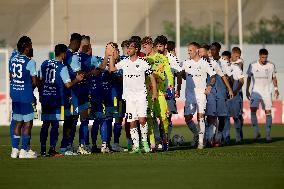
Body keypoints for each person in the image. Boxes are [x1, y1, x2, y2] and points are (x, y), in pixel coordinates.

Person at [109, 38, 158, 153]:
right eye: (127, 48)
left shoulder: (143, 62)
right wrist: (111, 56)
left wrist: (154, 92)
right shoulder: (124, 62)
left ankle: (145, 142)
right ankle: (136, 146)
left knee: (142, 120)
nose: (128, 50)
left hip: (141, 95)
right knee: (132, 121)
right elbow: (111, 69)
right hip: (129, 97)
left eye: (130, 48)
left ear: (136, 49)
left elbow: (152, 78)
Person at [39, 44, 84, 156]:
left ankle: (43, 150)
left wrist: (41, 93)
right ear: (63, 54)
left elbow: (40, 79)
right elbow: (68, 85)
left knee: (45, 124)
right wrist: (77, 79)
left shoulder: (45, 63)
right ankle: (52, 149)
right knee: (54, 124)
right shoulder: (62, 67)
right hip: (56, 98)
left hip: (45, 97)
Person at [141, 36, 174, 152]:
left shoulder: (162, 58)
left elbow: (169, 74)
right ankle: (152, 143)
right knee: (149, 118)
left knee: (164, 118)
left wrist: (170, 88)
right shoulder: (143, 60)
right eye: (143, 46)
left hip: (160, 93)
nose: (144, 48)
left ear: (152, 45)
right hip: (148, 94)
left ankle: (165, 139)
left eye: (146, 45)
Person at [181, 42, 216, 149]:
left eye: (190, 50)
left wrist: (209, 86)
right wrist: (181, 74)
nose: (188, 52)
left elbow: (213, 76)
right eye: (188, 50)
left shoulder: (204, 63)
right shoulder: (186, 63)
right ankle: (197, 134)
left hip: (201, 94)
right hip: (190, 95)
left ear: (196, 50)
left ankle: (201, 142)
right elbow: (182, 76)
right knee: (187, 118)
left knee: (200, 117)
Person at [10, 36, 37, 158]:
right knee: (28, 123)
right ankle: (24, 151)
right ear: (26, 48)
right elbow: (34, 82)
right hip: (25, 96)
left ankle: (14, 150)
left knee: (18, 123)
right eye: (30, 45)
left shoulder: (13, 59)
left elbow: (11, 76)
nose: (32, 47)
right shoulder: (30, 62)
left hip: (14, 94)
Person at [246, 48, 279, 142]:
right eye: (263, 57)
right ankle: (256, 132)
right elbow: (248, 78)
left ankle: (268, 134)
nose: (264, 59)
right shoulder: (252, 65)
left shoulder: (271, 65)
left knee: (268, 112)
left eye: (266, 57)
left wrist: (276, 89)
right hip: (255, 91)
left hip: (267, 92)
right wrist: (247, 90)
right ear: (259, 56)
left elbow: (274, 77)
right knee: (253, 110)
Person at [155, 36, 182, 145]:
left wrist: (178, 89)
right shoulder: (155, 57)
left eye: (160, 46)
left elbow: (179, 73)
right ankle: (158, 139)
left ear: (165, 46)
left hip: (169, 91)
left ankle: (165, 139)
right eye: (156, 46)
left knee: (168, 116)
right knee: (157, 116)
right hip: (157, 91)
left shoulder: (172, 58)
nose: (158, 48)